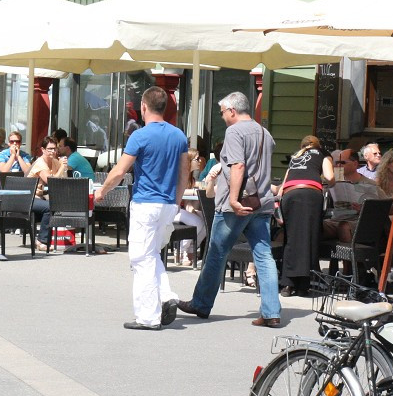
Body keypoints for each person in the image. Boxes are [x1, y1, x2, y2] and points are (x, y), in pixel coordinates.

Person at [178, 92, 281, 327]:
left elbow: (238, 166)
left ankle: (201, 303)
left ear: (233, 111)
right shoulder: (265, 133)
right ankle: (271, 312)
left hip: (236, 204)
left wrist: (234, 199)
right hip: (262, 202)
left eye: (223, 112)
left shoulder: (234, 132)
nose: (223, 116)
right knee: (264, 256)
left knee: (216, 252)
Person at [94, 87, 189, 330]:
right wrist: (176, 200)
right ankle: (167, 296)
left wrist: (101, 192)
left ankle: (148, 316)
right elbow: (183, 173)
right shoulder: (179, 135)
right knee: (152, 254)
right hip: (168, 204)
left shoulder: (140, 136)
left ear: (144, 107)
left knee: (141, 259)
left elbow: (119, 171)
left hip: (146, 203)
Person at [277, 136, 335, 297]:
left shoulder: (295, 156)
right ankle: (304, 285)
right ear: (318, 145)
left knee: (291, 239)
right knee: (309, 238)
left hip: (289, 195)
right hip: (310, 195)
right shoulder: (323, 153)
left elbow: (283, 186)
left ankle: (287, 284)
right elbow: (330, 178)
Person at [322, 149, 387, 242]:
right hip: (335, 220)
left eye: (342, 162)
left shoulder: (370, 184)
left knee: (343, 226)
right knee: (315, 225)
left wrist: (363, 209)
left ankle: (349, 255)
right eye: (336, 163)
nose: (338, 166)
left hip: (357, 222)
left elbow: (385, 207)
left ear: (355, 164)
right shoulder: (336, 180)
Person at [27, 136, 66, 252]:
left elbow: (63, 179)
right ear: (43, 150)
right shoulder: (40, 163)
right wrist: (62, 167)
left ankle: (62, 237)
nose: (53, 152)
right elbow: (52, 182)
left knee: (61, 204)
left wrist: (63, 169)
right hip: (29, 197)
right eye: (49, 149)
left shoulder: (54, 162)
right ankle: (41, 241)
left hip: (42, 197)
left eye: (54, 149)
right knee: (50, 207)